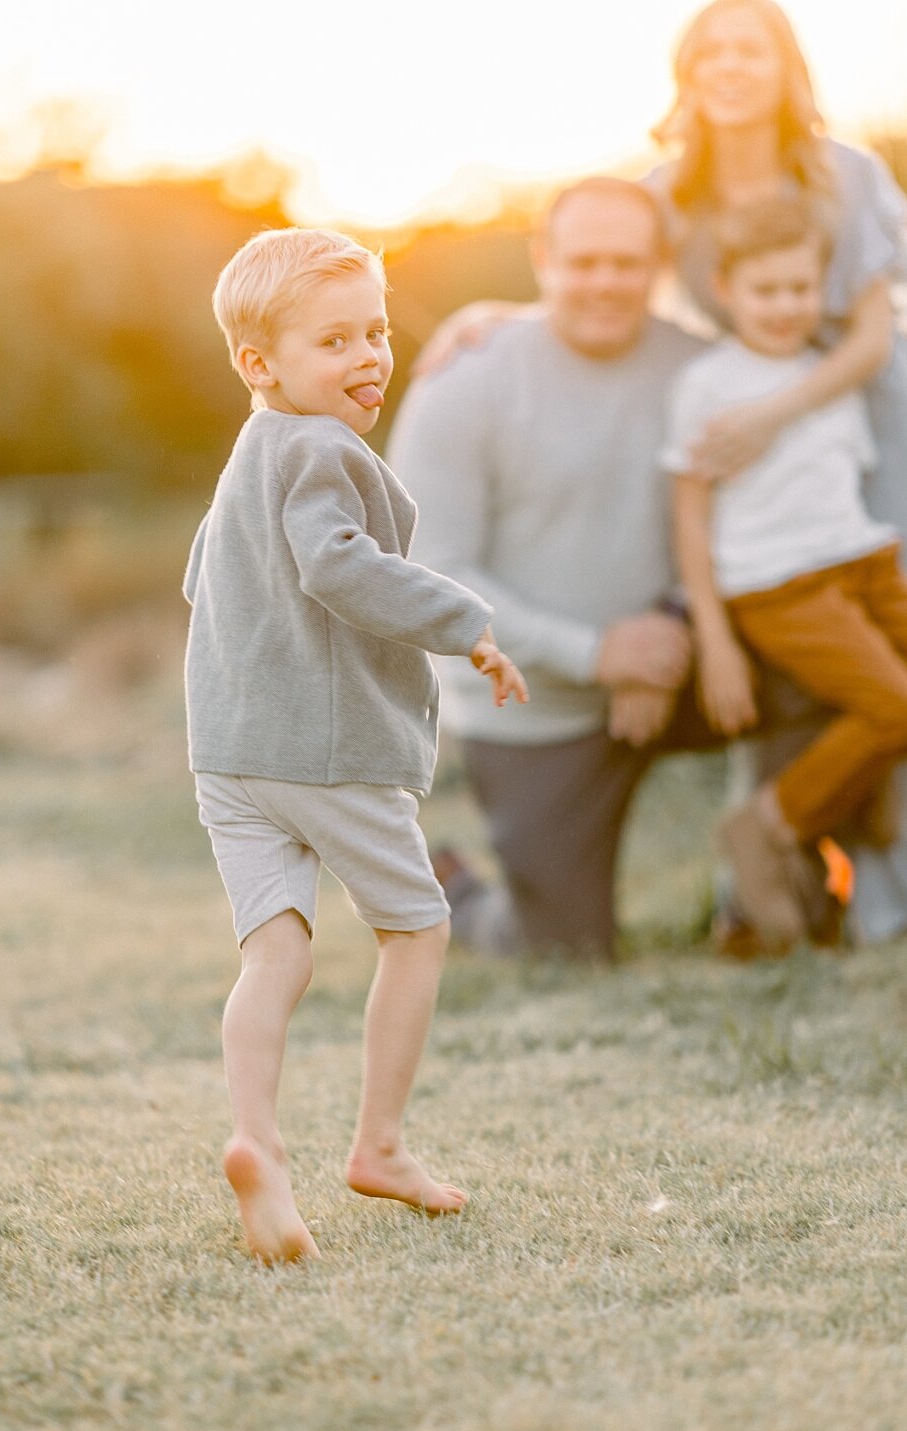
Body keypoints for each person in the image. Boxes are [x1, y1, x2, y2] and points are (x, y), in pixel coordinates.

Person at [418, 0, 907, 943]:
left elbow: (877, 328)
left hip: (860, 435)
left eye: (751, 49)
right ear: (685, 73)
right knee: (805, 654)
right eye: (711, 50)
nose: (731, 67)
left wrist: (775, 413)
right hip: (738, 472)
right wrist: (492, 314)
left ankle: (860, 901)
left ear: (788, 68)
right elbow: (594, 273)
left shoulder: (843, 176)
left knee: (868, 669)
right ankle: (749, 883)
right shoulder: (663, 194)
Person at [184, 228, 526, 1265]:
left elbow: (201, 582)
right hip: (322, 751)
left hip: (229, 756)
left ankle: (256, 1139)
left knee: (274, 951)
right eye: (333, 340)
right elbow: (336, 567)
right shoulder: (320, 449)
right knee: (415, 928)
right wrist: (461, 620)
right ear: (260, 365)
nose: (367, 356)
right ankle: (377, 1144)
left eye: (374, 331)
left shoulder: (245, 458)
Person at [392, 180, 714, 958]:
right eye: (585, 262)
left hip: (685, 664)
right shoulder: (466, 382)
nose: (605, 282)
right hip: (535, 702)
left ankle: (786, 888)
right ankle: (457, 892)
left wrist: (668, 628)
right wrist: (600, 654)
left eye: (627, 263)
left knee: (838, 676)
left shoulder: (702, 367)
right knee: (561, 951)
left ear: (657, 265)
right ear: (543, 261)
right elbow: (432, 575)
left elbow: (757, 522)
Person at [667, 195, 907, 945]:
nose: (785, 306)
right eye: (766, 290)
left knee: (899, 708)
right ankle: (767, 823)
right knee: (896, 708)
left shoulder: (827, 373)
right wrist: (715, 638)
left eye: (800, 289)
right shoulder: (710, 383)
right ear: (725, 289)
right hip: (780, 587)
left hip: (865, 564)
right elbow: (688, 512)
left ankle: (864, 834)